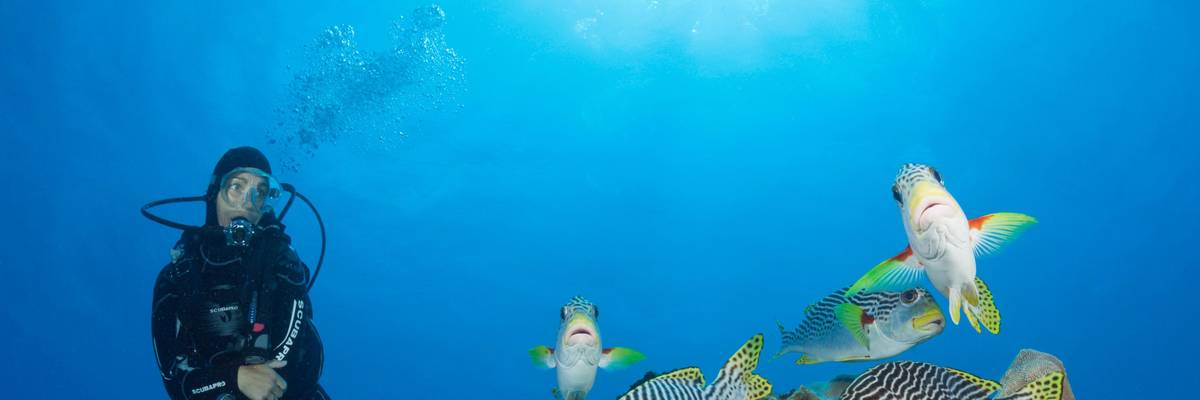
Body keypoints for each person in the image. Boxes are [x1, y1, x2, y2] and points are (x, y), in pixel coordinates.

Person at [150, 147, 328, 400]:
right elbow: (174, 382)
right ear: (214, 194)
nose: (247, 202)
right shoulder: (177, 276)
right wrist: (234, 379)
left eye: (260, 193)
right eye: (236, 187)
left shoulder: (281, 262)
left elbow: (305, 364)